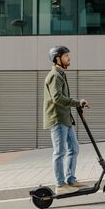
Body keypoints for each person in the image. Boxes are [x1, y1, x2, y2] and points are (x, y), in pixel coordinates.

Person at [44, 45, 89, 195]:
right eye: (66, 56)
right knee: (59, 152)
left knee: (74, 148)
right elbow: (57, 98)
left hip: (65, 118)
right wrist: (76, 102)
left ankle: (70, 180)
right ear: (58, 59)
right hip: (57, 119)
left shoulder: (61, 74)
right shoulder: (54, 76)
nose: (69, 58)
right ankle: (60, 185)